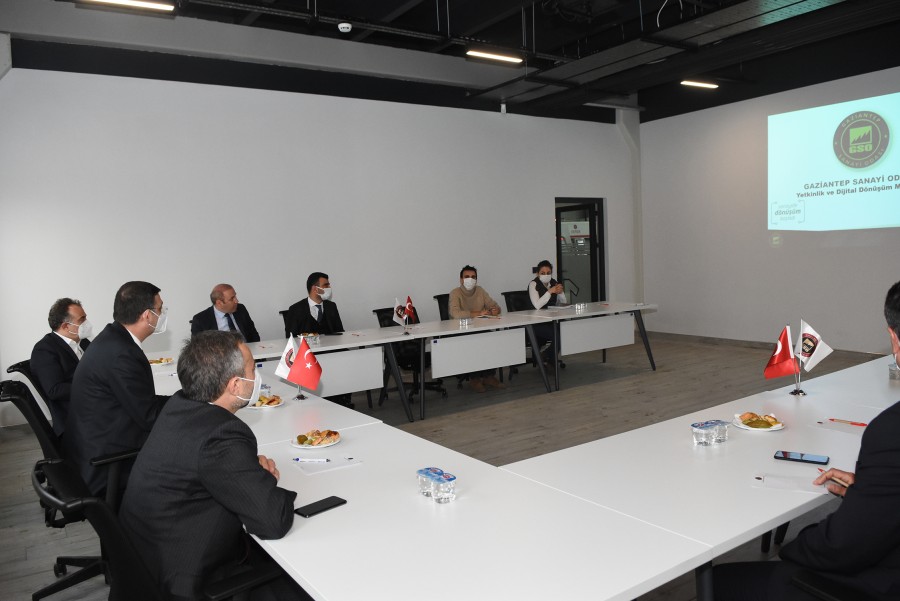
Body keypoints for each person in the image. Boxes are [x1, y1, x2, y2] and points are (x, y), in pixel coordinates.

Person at [712, 280, 900, 601]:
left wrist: (794, 546)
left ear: (893, 337)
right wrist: (875, 490)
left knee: (717, 581)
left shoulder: (890, 432)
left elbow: (841, 548)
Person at [119, 331, 303, 601]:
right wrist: (265, 478)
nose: (257, 376)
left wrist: (244, 468)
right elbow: (272, 522)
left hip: (146, 567)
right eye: (253, 369)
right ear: (235, 385)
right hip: (188, 583)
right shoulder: (221, 433)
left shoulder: (178, 405)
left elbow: (200, 463)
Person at [64, 281, 170, 495]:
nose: (162, 314)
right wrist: (192, 402)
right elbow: (149, 416)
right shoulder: (122, 353)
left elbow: (142, 402)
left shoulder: (113, 339)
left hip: (97, 444)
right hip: (108, 464)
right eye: (160, 309)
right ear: (147, 315)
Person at [29, 298, 93, 436]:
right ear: (65, 326)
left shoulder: (84, 343)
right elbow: (55, 390)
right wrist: (94, 387)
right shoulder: (45, 349)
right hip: (75, 420)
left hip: (93, 407)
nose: (86, 323)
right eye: (82, 319)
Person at [448, 265, 504, 392]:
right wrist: (478, 313)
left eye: (473, 277)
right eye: (467, 277)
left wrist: (496, 310)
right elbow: (455, 314)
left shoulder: (480, 290)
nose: (470, 279)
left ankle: (489, 376)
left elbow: (495, 305)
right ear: (461, 280)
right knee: (473, 342)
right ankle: (474, 378)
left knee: (492, 338)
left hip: (480, 327)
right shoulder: (455, 293)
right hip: (461, 330)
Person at [191, 283, 261, 343]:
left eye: (235, 296)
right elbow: (197, 347)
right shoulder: (200, 320)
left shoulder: (241, 309)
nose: (236, 301)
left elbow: (253, 333)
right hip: (221, 354)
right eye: (232, 298)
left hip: (246, 351)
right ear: (219, 303)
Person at [528, 260, 567, 364]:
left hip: (552, 320)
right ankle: (550, 358)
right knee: (557, 335)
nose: (546, 275)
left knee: (565, 331)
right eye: (543, 273)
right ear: (538, 274)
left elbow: (564, 303)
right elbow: (537, 305)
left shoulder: (554, 282)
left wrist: (561, 293)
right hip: (537, 323)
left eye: (548, 273)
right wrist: (549, 291)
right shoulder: (533, 284)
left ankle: (546, 355)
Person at [286, 272, 344, 336]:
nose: (329, 287)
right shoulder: (295, 309)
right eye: (326, 285)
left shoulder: (331, 306)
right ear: (315, 289)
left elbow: (340, 332)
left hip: (331, 342)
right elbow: (291, 338)